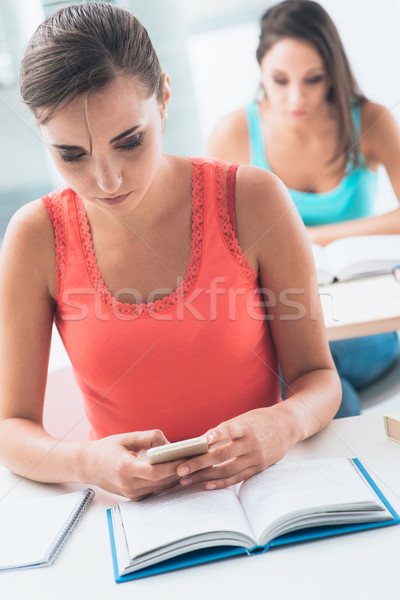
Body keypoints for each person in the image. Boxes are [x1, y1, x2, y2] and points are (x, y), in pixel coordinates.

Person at [0, 2, 340, 501]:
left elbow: (320, 379)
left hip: (268, 497)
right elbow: (11, 428)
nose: (106, 180)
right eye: (71, 154)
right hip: (139, 524)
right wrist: (85, 461)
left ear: (163, 97)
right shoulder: (35, 237)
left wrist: (283, 425)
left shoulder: (253, 200)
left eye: (129, 141)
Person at [208, 0, 400, 418]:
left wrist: (313, 238)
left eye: (313, 79)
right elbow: (211, 242)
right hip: (282, 316)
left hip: (360, 322)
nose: (296, 97)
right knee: (330, 393)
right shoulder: (234, 132)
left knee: (305, 380)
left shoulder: (369, 120)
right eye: (280, 80)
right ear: (260, 69)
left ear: (333, 71)